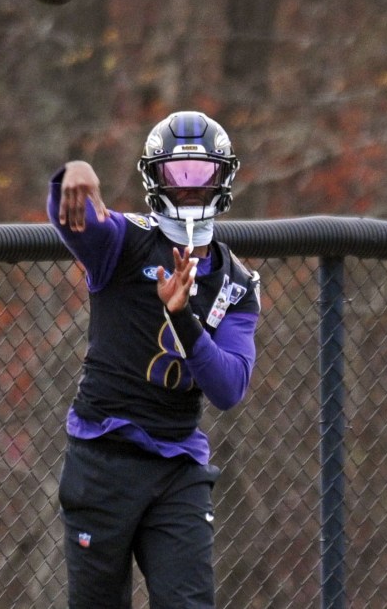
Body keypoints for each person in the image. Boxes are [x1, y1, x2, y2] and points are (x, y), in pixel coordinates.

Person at [47, 111, 260, 608]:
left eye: (200, 174)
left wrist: (182, 316)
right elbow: (72, 216)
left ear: (222, 179)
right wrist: (71, 174)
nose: (188, 187)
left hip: (176, 466)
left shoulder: (236, 283)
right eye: (176, 173)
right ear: (153, 177)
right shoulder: (124, 243)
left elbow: (229, 388)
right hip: (104, 457)